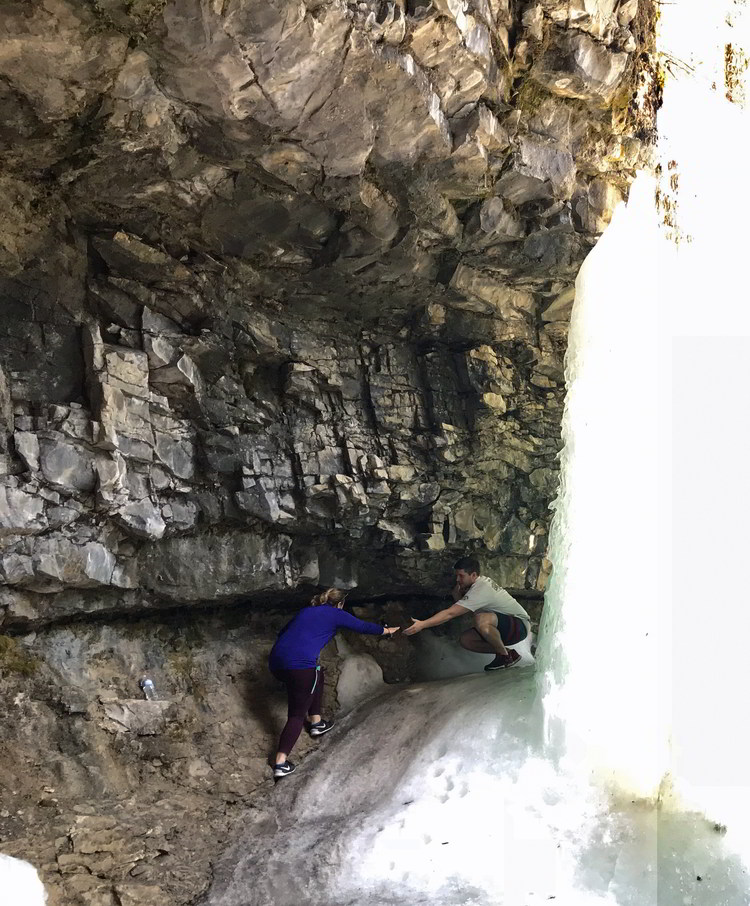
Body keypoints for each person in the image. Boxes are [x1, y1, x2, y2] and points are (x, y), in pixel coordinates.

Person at [268, 587, 400, 779]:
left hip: (276, 663)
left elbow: (283, 632)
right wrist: (387, 630)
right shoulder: (336, 614)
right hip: (301, 668)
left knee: (318, 673)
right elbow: (362, 626)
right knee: (296, 715)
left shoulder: (306, 611)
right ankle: (281, 762)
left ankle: (316, 721)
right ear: (340, 603)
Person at [403, 556, 531, 671]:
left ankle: (504, 657)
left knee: (481, 619)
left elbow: (450, 613)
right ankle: (508, 653)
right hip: (506, 628)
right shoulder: (476, 586)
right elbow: (463, 607)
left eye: (461, 576)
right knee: (467, 640)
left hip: (520, 626)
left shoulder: (481, 589)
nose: (457, 579)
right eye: (456, 576)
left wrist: (422, 624)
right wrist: (457, 594)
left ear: (473, 575)